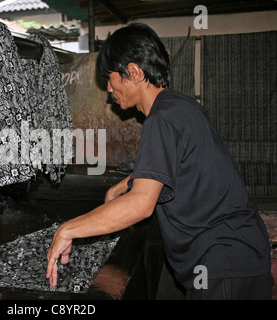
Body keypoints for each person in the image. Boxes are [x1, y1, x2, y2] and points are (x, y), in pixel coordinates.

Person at [45, 22, 273, 300]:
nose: (108, 89)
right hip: (242, 257)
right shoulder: (180, 105)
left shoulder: (161, 120)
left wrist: (68, 230)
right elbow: (179, 163)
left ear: (133, 72)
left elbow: (141, 204)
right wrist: (126, 184)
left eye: (110, 77)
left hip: (222, 265)